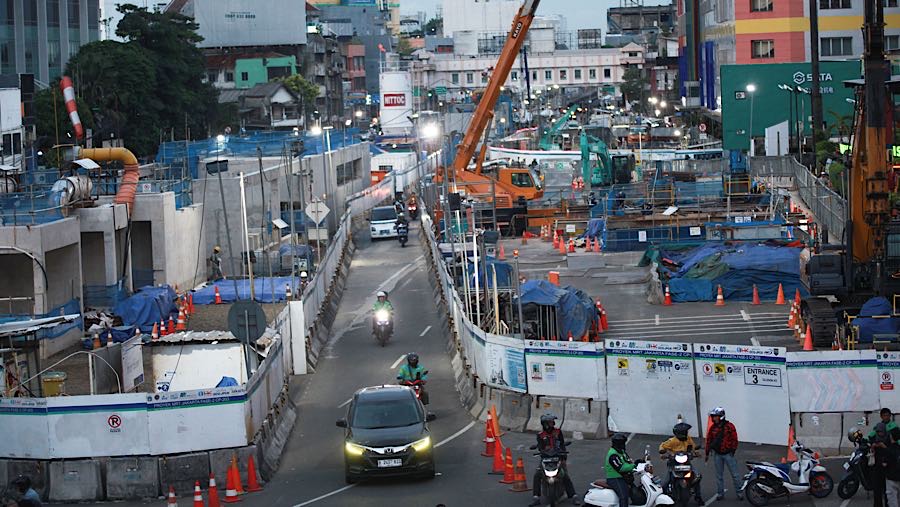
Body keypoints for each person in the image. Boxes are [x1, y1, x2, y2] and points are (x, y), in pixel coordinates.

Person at [529, 413, 581, 506]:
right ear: (545, 424)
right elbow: (540, 447)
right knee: (537, 475)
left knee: (565, 475)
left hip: (557, 457)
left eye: (553, 422)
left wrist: (564, 457)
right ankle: (536, 497)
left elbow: (562, 444)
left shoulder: (558, 432)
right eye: (550, 422)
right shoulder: (540, 435)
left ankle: (573, 496)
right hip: (545, 458)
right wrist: (542, 450)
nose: (553, 423)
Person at [659, 421, 704, 505]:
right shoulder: (672, 441)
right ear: (680, 433)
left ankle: (698, 497)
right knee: (665, 483)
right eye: (685, 432)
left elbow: (693, 447)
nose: (686, 433)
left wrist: (696, 453)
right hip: (673, 463)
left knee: (697, 477)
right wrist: (663, 452)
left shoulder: (688, 438)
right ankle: (663, 497)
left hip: (686, 462)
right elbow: (662, 446)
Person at [705, 407, 742, 501]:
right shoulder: (712, 428)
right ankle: (720, 493)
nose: (713, 418)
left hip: (728, 454)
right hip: (717, 454)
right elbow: (709, 440)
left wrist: (732, 450)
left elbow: (734, 439)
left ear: (721, 416)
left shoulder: (729, 426)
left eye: (715, 416)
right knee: (719, 475)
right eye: (713, 416)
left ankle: (739, 492)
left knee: (735, 475)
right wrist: (707, 453)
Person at [868, 408, 900, 507]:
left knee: (889, 491)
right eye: (884, 415)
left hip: (888, 464)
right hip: (878, 463)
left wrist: (885, 446)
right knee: (877, 488)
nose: (886, 417)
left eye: (888, 415)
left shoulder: (894, 427)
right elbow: (870, 437)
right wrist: (873, 445)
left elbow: (896, 446)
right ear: (881, 416)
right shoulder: (878, 427)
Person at [606, 432, 637, 507]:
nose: (624, 445)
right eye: (622, 443)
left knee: (635, 492)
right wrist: (634, 465)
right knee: (624, 496)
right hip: (615, 478)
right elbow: (621, 468)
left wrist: (637, 463)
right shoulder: (613, 455)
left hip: (623, 476)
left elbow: (628, 461)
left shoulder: (621, 452)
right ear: (618, 444)